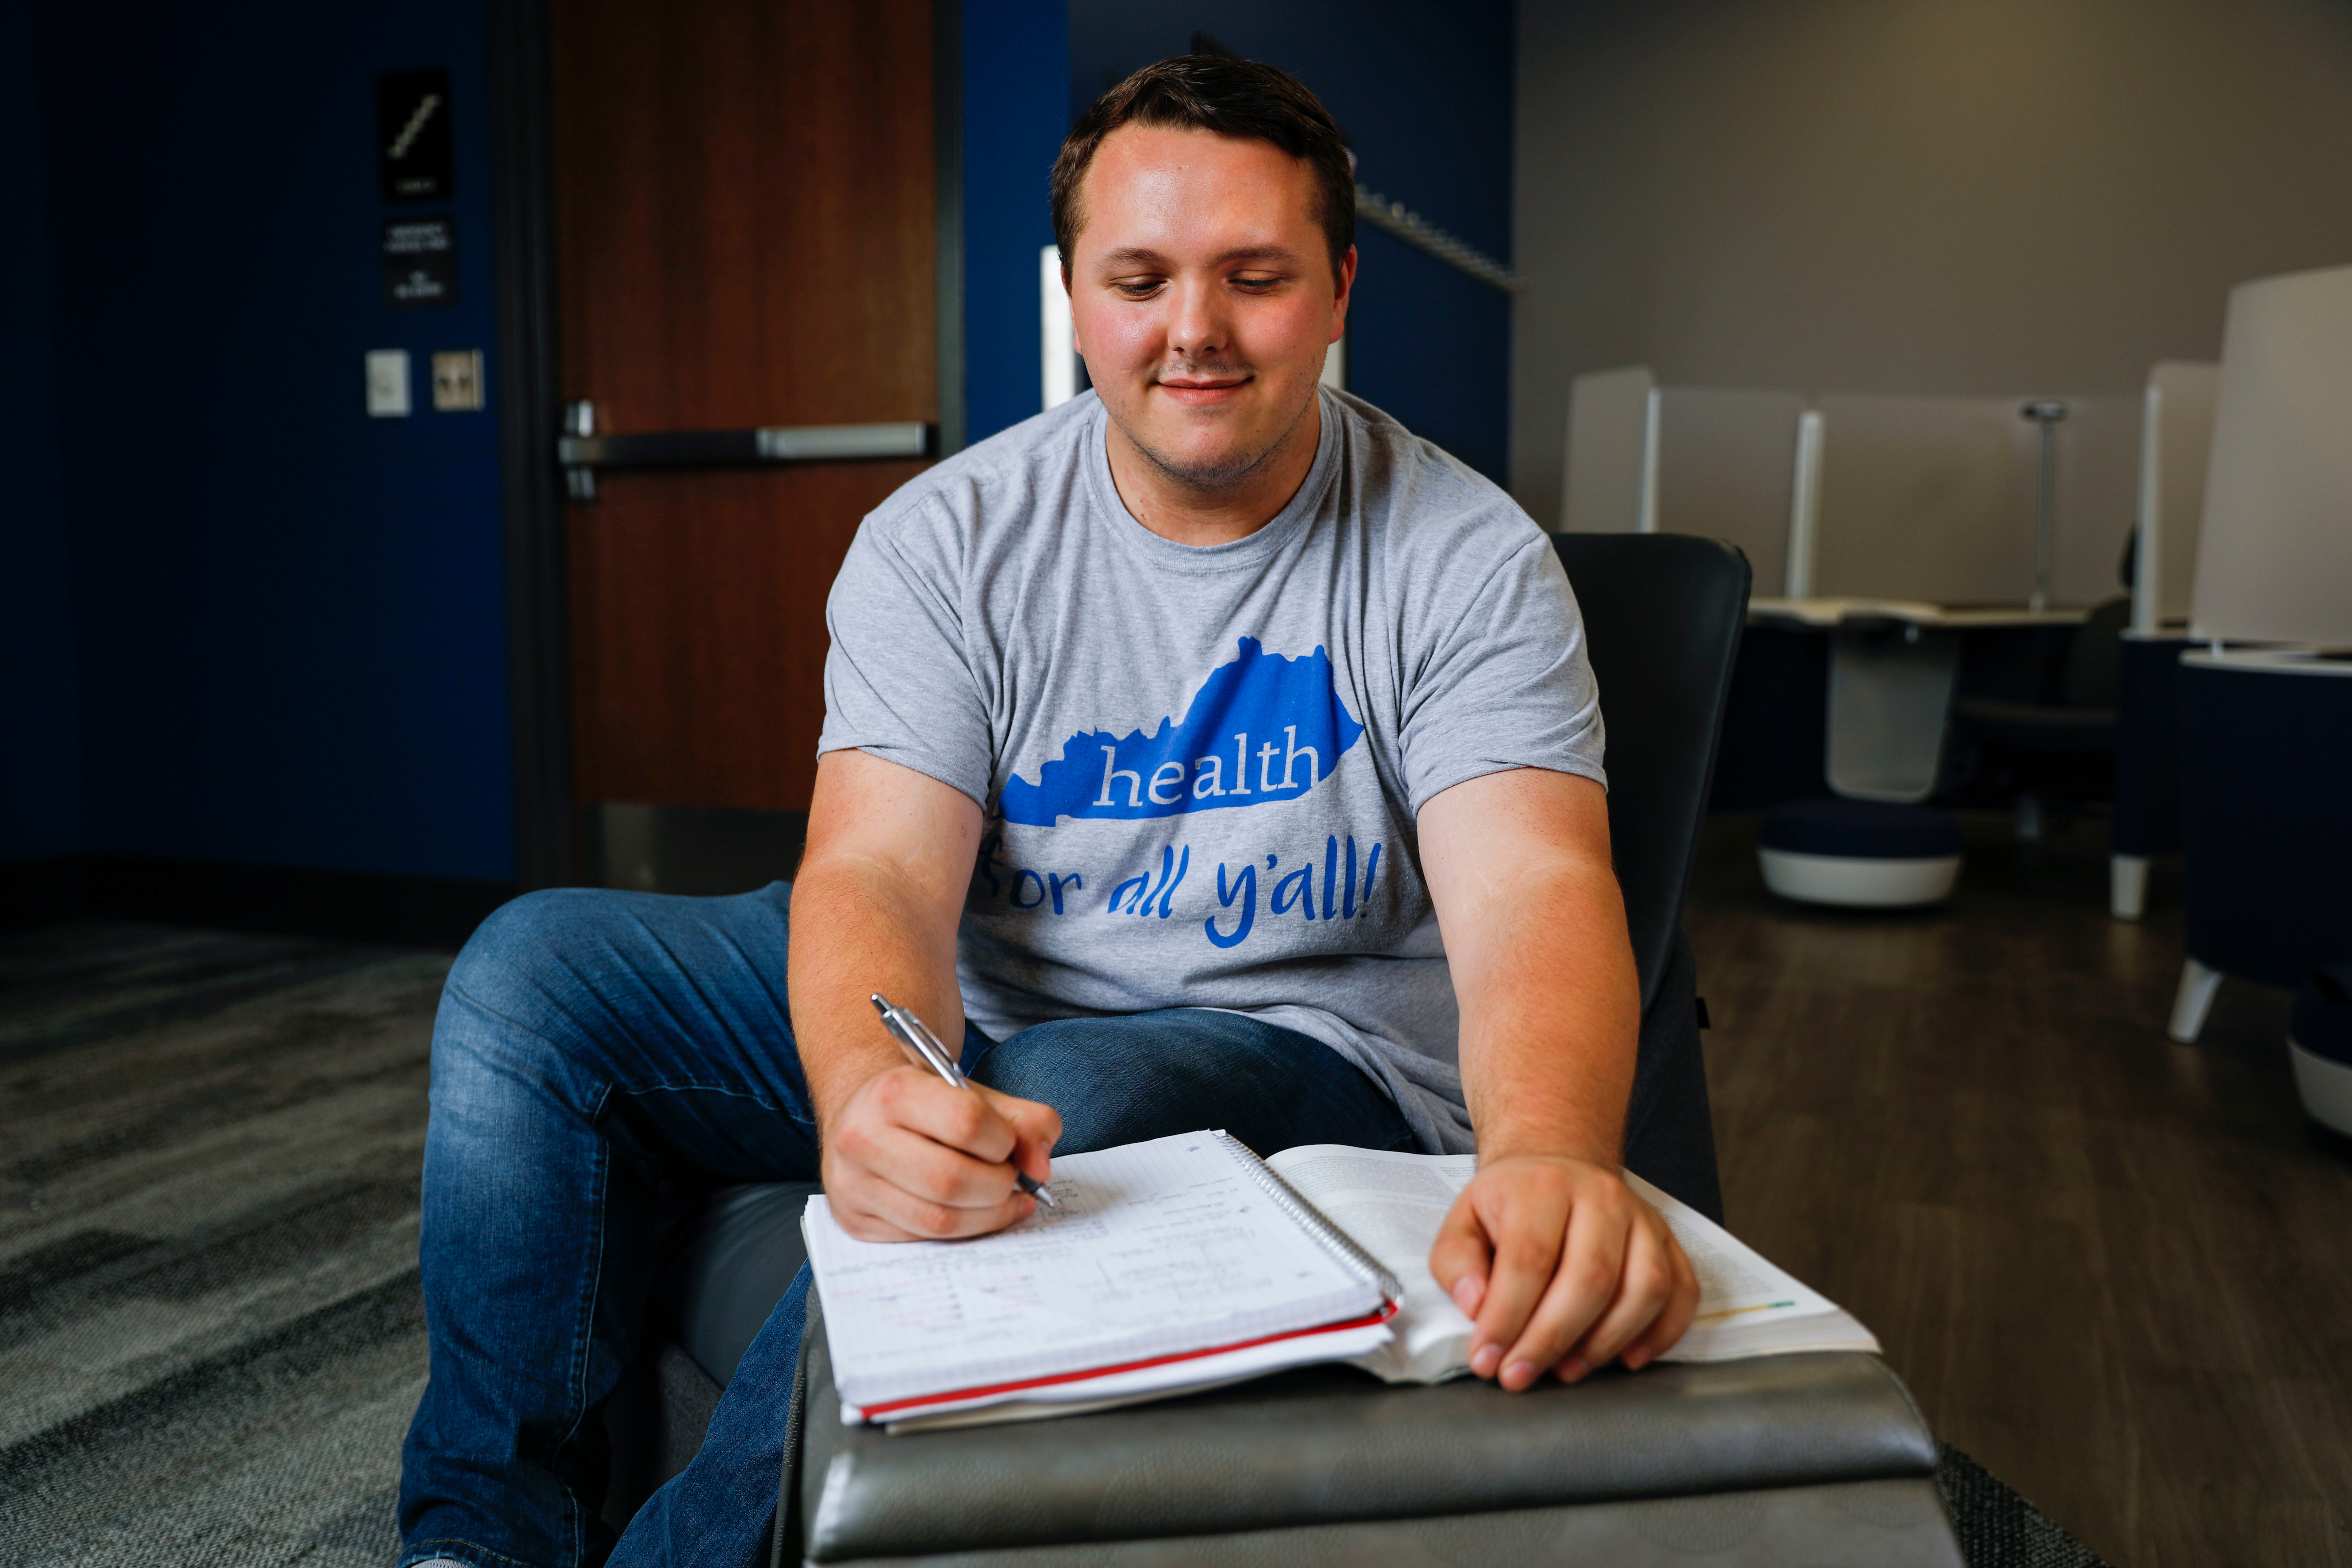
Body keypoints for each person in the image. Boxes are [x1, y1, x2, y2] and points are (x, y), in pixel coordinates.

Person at [397, 55, 1701, 1568]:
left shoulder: (1465, 556)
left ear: (1340, 290)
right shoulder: (945, 540)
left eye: (1255, 278)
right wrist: (866, 1085)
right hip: (981, 997)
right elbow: (878, 866)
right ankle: (475, 1543)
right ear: (1074, 293)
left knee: (1077, 1085)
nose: (1192, 330)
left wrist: (1550, 1151)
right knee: (533, 975)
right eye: (1139, 277)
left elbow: (1535, 889)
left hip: (1297, 1044)